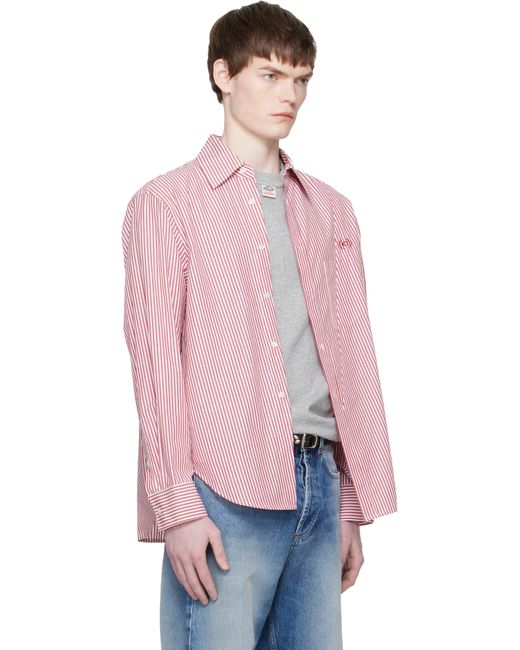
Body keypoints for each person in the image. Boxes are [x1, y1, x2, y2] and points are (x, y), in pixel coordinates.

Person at [121, 2, 397, 648]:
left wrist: (349, 503)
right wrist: (176, 506)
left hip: (319, 483)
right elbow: (156, 363)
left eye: (300, 79)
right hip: (221, 488)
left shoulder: (331, 210)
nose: (290, 95)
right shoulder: (165, 204)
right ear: (223, 75)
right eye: (270, 75)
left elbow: (351, 357)